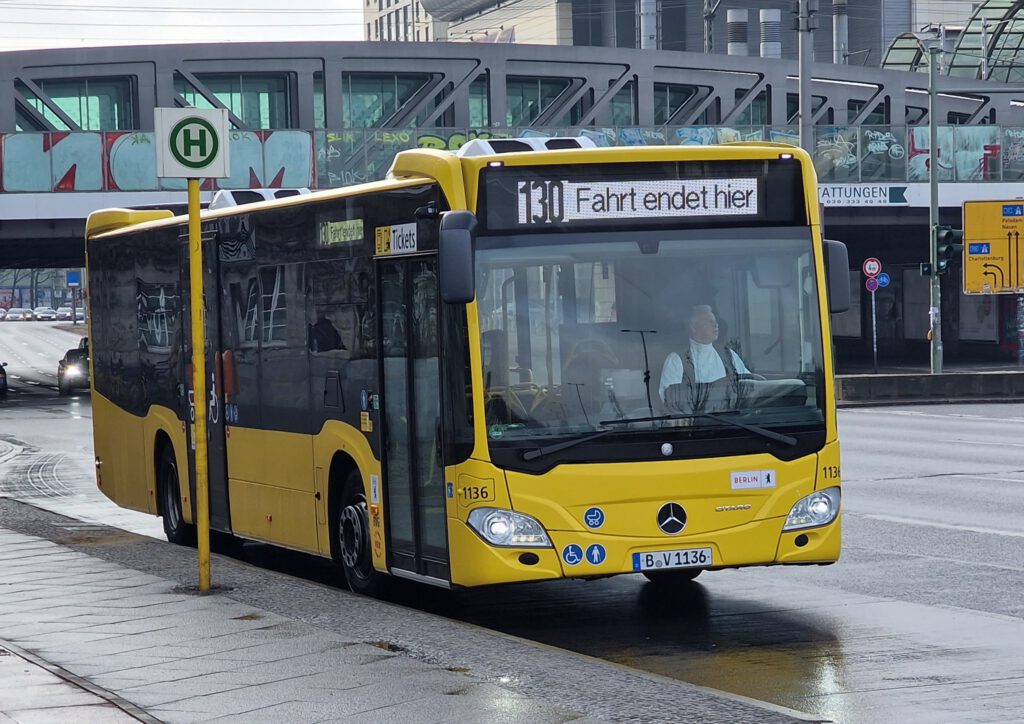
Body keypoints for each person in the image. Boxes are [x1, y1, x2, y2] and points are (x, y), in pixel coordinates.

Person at [658, 305, 754, 412]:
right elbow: (669, 399)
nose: (715, 325)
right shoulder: (676, 360)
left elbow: (748, 383)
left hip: (731, 421)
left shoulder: (729, 355)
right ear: (693, 327)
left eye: (715, 321)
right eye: (708, 322)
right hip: (697, 425)